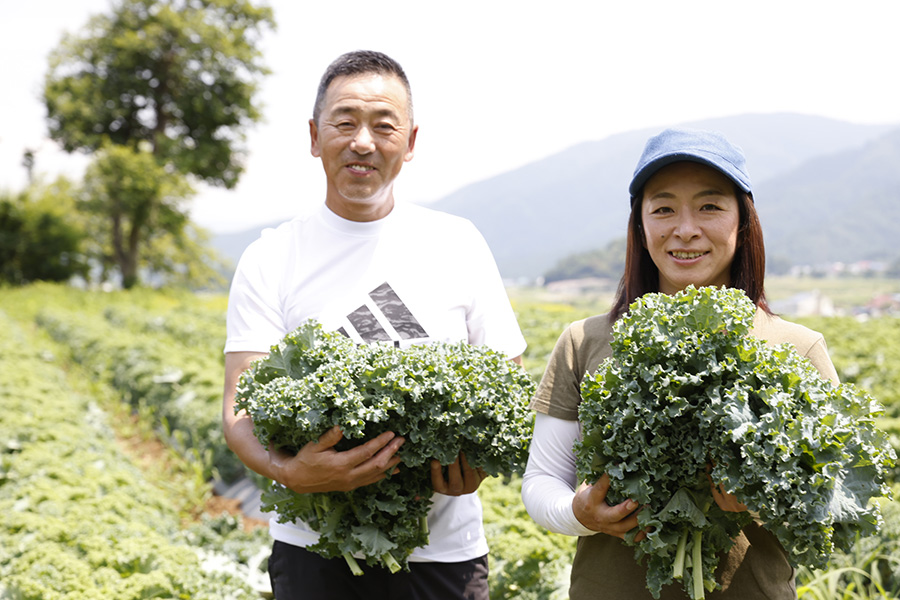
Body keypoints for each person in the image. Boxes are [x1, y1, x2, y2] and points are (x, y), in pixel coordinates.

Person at [222, 50, 526, 600]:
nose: (363, 142)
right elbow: (240, 410)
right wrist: (289, 472)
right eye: (344, 123)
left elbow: (508, 380)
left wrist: (476, 464)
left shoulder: (458, 243)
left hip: (442, 553)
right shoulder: (271, 256)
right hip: (313, 548)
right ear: (315, 136)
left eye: (384, 126)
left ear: (409, 144)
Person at [521, 127, 840, 600]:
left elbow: (835, 499)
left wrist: (765, 500)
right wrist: (578, 514)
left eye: (710, 206)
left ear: (743, 221)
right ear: (640, 225)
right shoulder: (584, 341)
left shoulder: (798, 347)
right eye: (663, 208)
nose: (685, 229)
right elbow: (542, 480)